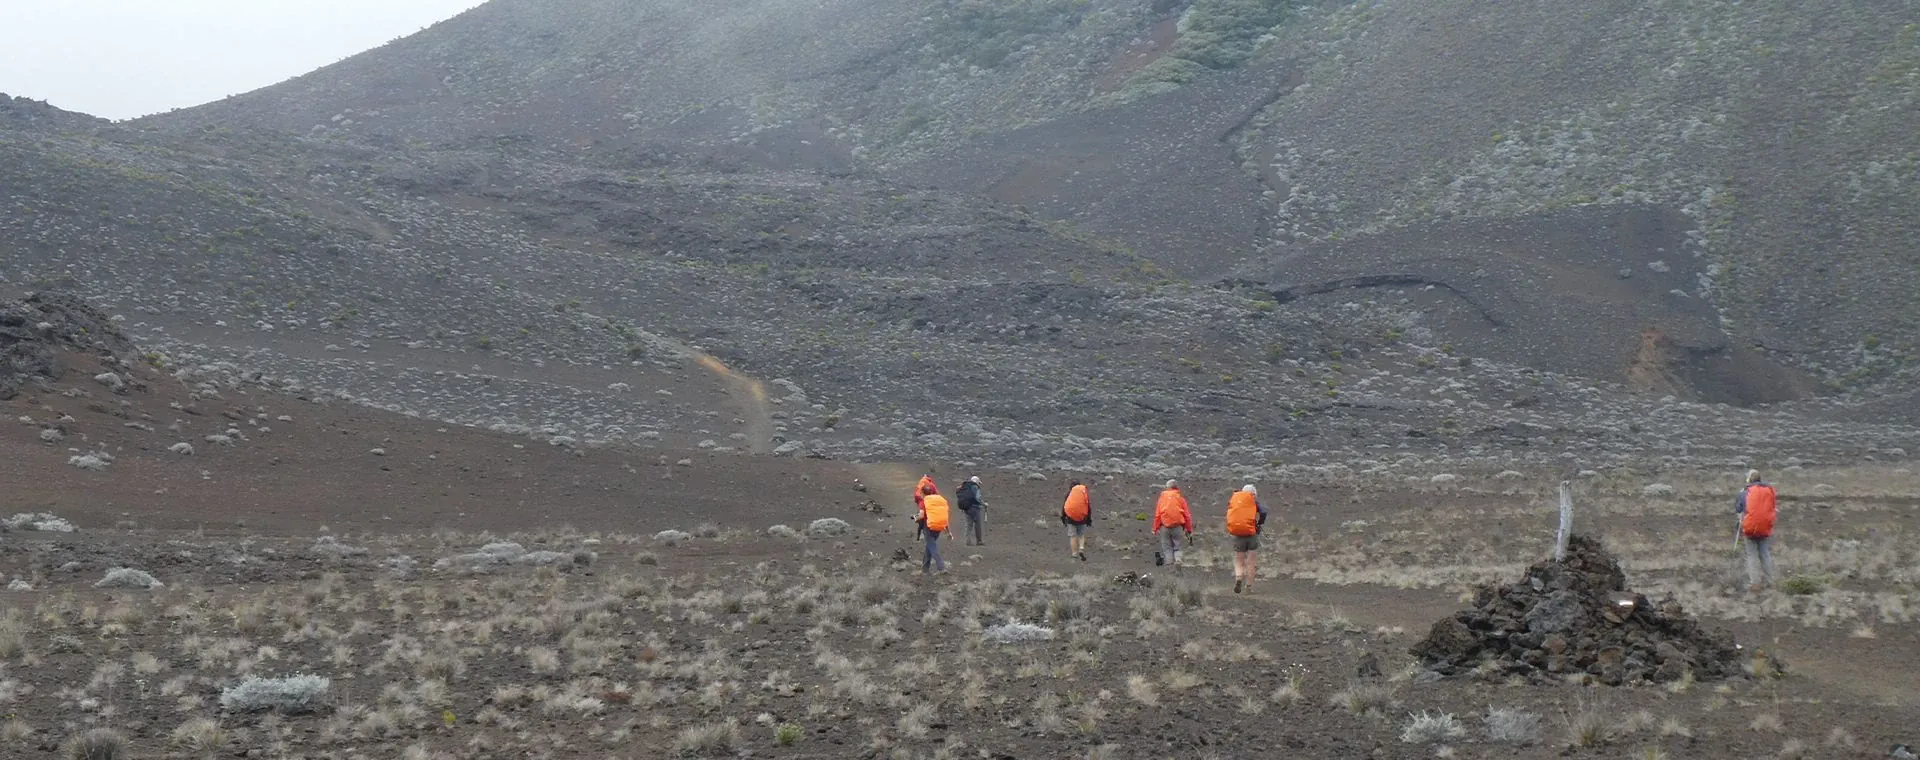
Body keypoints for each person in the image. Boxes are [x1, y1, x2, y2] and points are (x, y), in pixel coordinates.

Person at [1735, 469, 1778, 591]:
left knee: (1752, 555)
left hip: (1749, 528)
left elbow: (1739, 509)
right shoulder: (1769, 491)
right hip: (1765, 527)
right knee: (1765, 554)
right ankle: (1770, 581)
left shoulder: (1744, 492)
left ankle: (1755, 583)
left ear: (1749, 479)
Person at [1226, 484, 1268, 594]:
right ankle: (1248, 587)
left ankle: (1238, 579)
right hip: (1252, 534)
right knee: (1251, 562)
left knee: (1239, 560)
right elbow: (1263, 512)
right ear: (1253, 494)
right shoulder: (1254, 502)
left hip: (1238, 535)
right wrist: (1260, 522)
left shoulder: (1236, 501)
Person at [1151, 479, 1194, 567]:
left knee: (1167, 548)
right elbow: (1187, 516)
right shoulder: (1181, 499)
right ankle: (1178, 561)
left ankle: (1170, 567)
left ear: (1167, 488)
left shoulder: (1162, 499)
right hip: (1178, 527)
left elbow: (1157, 515)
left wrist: (1155, 528)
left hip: (1164, 527)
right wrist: (1189, 529)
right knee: (1178, 547)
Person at [918, 491, 951, 574]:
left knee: (932, 547)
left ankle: (941, 566)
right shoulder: (936, 503)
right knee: (929, 547)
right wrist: (948, 532)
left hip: (928, 527)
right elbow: (944, 519)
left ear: (923, 494)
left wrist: (916, 518)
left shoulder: (924, 502)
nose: (920, 495)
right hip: (938, 528)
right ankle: (925, 569)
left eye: (921, 494)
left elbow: (921, 516)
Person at [1060, 480, 1093, 561]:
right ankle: (1081, 548)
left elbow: (1065, 507)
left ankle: (1074, 553)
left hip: (1070, 518)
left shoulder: (1069, 494)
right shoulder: (1083, 493)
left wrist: (1063, 518)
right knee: (1081, 535)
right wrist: (1089, 519)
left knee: (1072, 536)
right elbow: (1088, 506)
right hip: (1082, 518)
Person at [955, 475, 987, 546]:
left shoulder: (964, 487)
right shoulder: (975, 487)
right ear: (977, 481)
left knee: (968, 524)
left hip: (966, 508)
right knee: (977, 524)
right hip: (974, 508)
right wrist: (983, 504)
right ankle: (979, 541)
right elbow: (977, 498)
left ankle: (968, 541)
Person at [913, 473, 938, 540]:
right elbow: (936, 494)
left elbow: (916, 494)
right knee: (927, 518)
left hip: (920, 502)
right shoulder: (931, 484)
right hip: (928, 502)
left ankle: (918, 537)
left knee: (921, 518)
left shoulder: (920, 483)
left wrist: (918, 502)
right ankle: (926, 533)